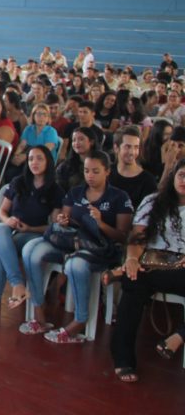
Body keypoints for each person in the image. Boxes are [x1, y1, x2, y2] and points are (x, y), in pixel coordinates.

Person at [20, 151, 133, 343]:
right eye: (87, 171)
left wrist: (101, 223)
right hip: (72, 243)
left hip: (99, 250)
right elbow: (67, 222)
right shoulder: (76, 193)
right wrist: (63, 221)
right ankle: (39, 313)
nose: (90, 175)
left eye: (96, 171)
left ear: (107, 172)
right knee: (31, 249)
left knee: (75, 265)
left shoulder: (119, 197)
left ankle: (79, 320)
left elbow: (122, 237)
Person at [0, 146, 65, 325]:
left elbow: (52, 227)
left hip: (34, 235)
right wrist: (8, 220)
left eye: (39, 159)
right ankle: (17, 284)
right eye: (31, 159)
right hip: (11, 231)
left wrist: (29, 228)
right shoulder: (19, 182)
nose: (34, 163)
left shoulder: (55, 190)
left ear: (48, 162)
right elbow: (2, 212)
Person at [109, 159, 185, 383]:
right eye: (181, 175)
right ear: (173, 176)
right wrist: (132, 258)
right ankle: (122, 357)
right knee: (134, 280)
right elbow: (137, 237)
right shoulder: (153, 202)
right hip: (154, 263)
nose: (184, 181)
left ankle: (179, 336)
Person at [110, 126, 157, 211]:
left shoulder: (148, 180)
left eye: (136, 147)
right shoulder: (106, 173)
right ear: (116, 148)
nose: (132, 152)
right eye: (128, 146)